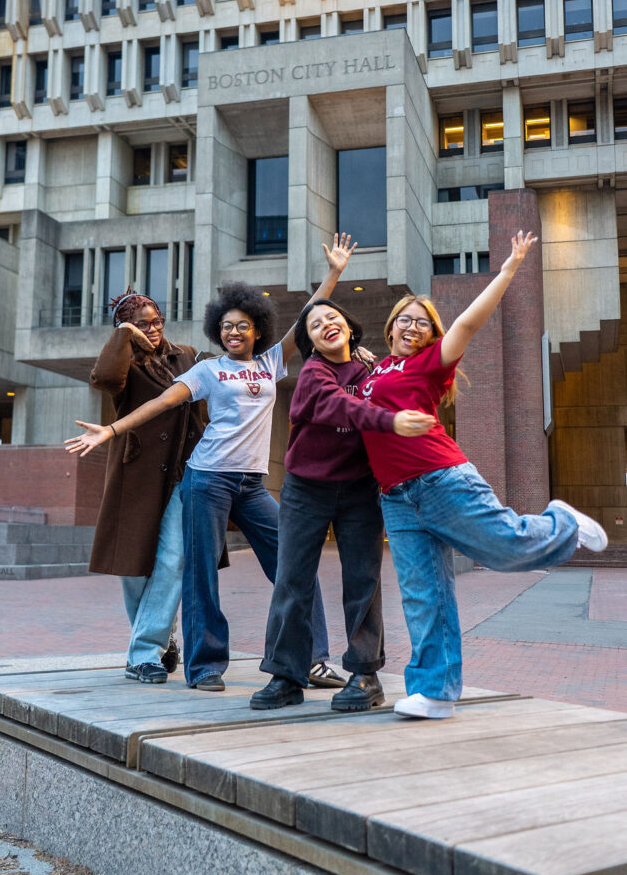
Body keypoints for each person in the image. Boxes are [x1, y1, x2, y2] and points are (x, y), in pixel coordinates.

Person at [66, 234, 357, 691]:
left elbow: (307, 320)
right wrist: (112, 430)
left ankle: (314, 658)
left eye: (242, 325)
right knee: (198, 574)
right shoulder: (206, 369)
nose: (233, 332)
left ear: (257, 330)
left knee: (294, 562)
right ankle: (204, 666)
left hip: (250, 485)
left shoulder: (270, 363)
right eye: (225, 326)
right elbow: (160, 403)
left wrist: (334, 274)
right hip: (205, 480)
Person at [359, 230, 608, 720]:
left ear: (431, 335)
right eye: (405, 319)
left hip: (441, 479)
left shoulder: (431, 363)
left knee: (506, 547)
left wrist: (509, 268)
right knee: (422, 596)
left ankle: (562, 522)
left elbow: (469, 323)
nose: (412, 327)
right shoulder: (372, 371)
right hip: (395, 498)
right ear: (390, 327)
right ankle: (435, 692)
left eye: (422, 323)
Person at [251, 300, 434, 713]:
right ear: (311, 342)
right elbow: (340, 406)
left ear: (350, 327)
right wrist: (390, 421)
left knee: (363, 580)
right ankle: (286, 676)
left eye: (332, 317)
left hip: (359, 489)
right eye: (315, 325)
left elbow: (398, 383)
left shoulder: (371, 369)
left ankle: (366, 676)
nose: (325, 325)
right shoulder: (313, 374)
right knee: (292, 580)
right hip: (306, 489)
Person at [88, 290, 206, 685]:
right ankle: (161, 635)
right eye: (142, 324)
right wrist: (124, 335)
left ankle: (142, 655)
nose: (152, 329)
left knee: (172, 560)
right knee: (133, 569)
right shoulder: (125, 362)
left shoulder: (186, 356)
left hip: (181, 472)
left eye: (156, 321)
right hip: (135, 476)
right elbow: (105, 379)